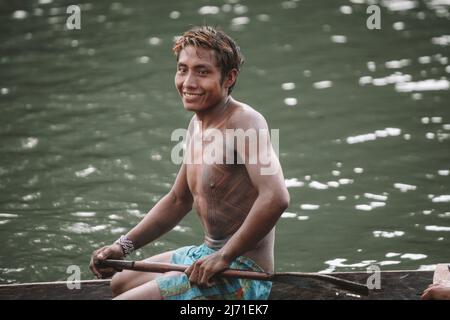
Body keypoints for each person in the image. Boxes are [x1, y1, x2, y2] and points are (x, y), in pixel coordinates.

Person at [89, 25, 290, 300]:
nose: (188, 82)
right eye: (183, 69)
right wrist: (121, 247)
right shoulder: (196, 124)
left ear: (229, 78)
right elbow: (177, 200)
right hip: (206, 254)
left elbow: (276, 197)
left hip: (241, 273)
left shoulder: (247, 122)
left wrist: (224, 257)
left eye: (202, 71)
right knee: (119, 282)